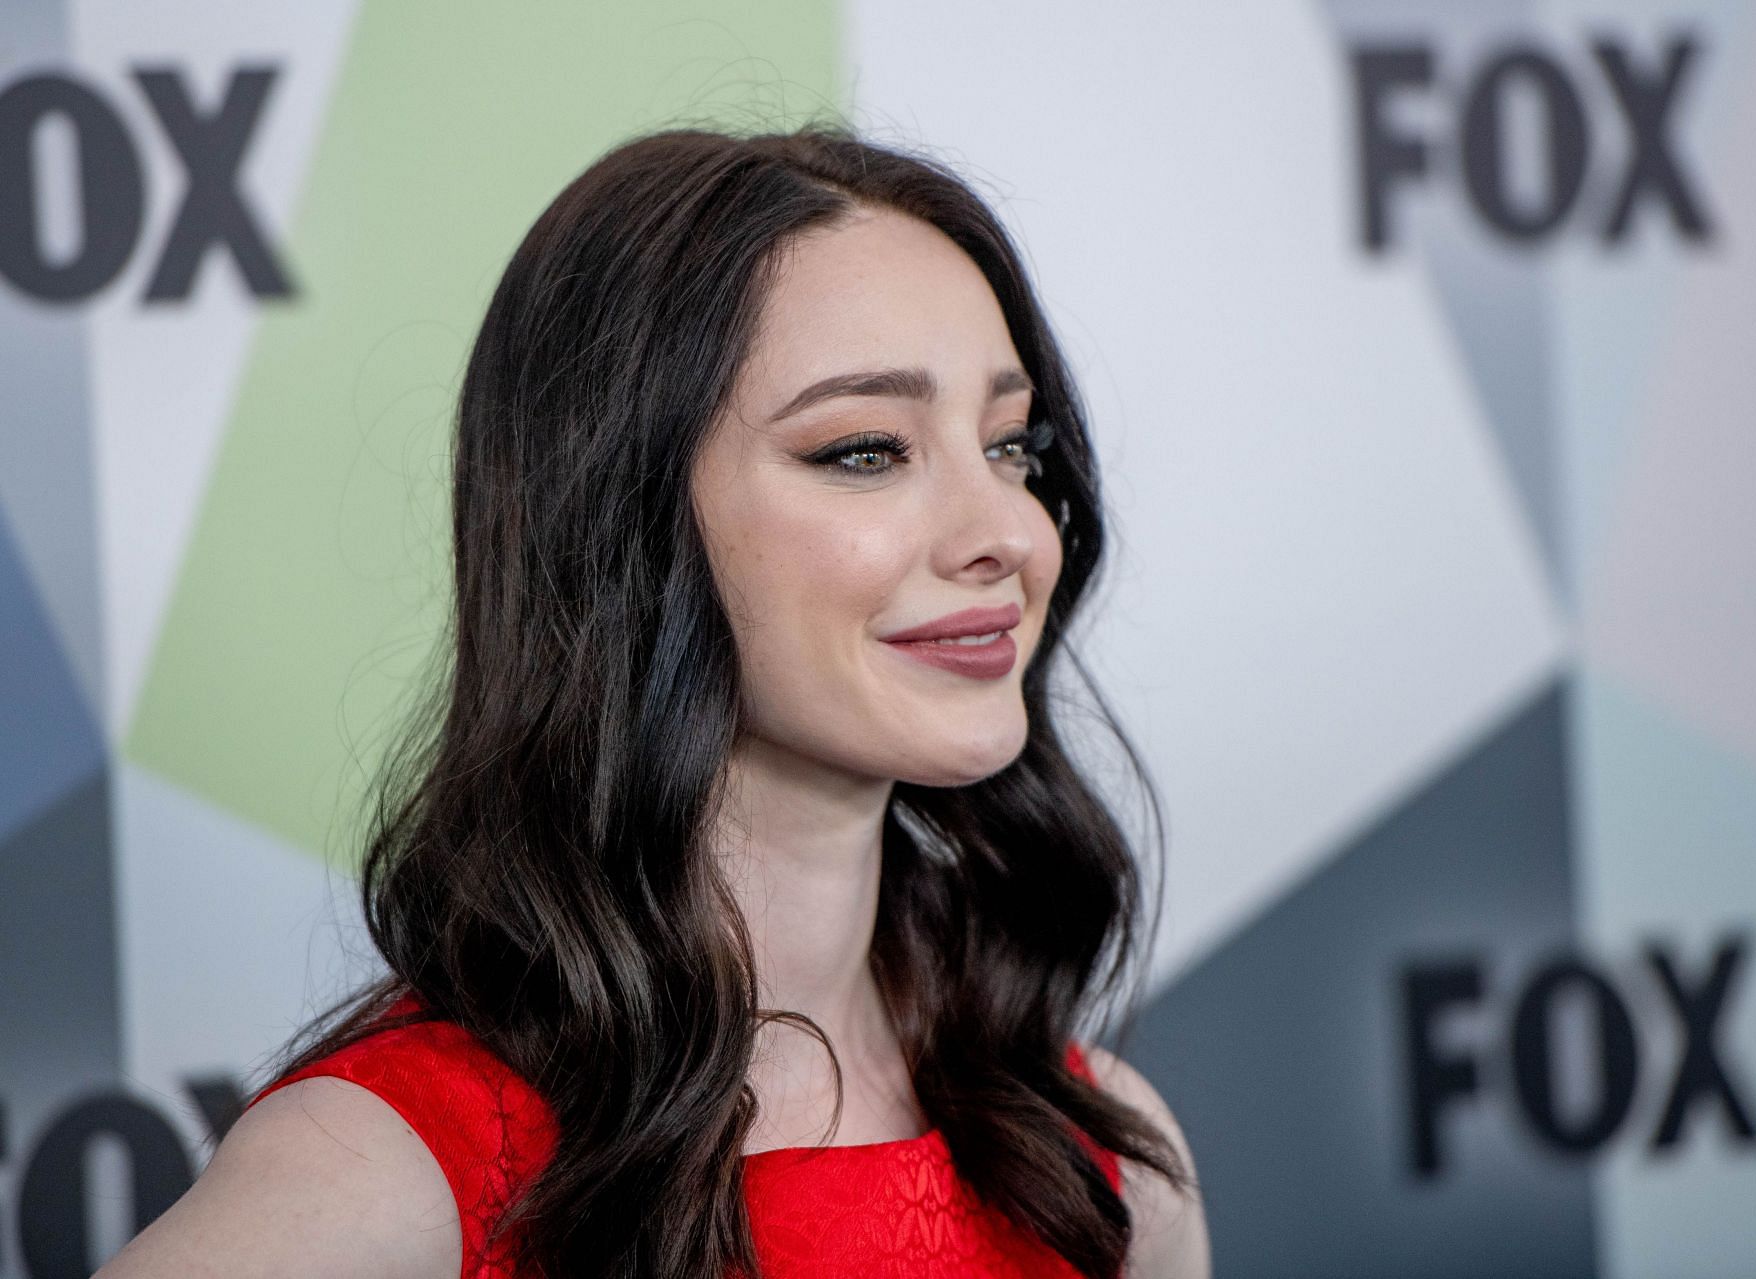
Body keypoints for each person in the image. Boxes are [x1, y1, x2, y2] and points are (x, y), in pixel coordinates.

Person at [98, 122, 1210, 1279]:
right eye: (867, 449)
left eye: (1010, 445)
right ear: (621, 522)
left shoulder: (1102, 1156)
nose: (1008, 536)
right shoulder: (379, 1175)